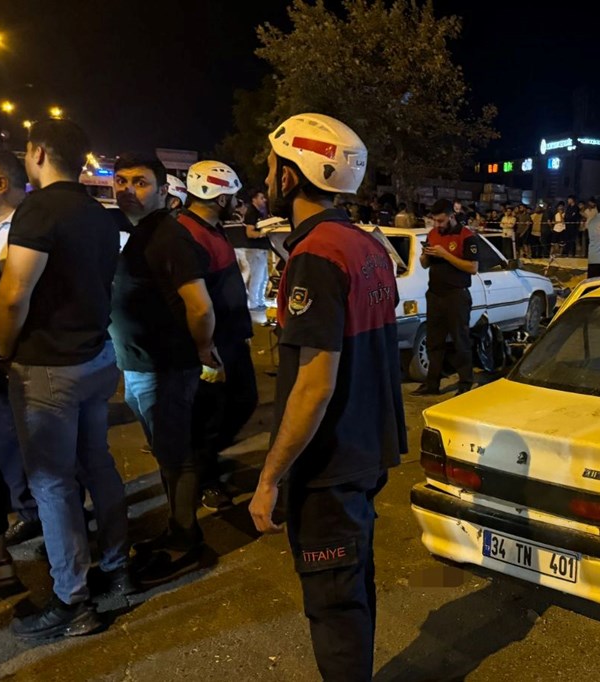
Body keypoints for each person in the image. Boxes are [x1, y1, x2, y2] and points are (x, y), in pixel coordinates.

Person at [251, 113, 407, 681]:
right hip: (367, 449)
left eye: (272, 166)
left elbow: (314, 385)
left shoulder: (317, 254)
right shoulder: (366, 244)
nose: (266, 176)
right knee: (353, 585)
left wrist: (269, 478)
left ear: (291, 178)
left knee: (334, 605)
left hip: (330, 462)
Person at [0, 119, 130, 639]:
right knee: (97, 463)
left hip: (49, 368)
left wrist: (5, 351)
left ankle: (72, 599)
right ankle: (116, 564)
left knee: (52, 484)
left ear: (40, 152)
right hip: (96, 359)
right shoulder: (99, 215)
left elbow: (12, 295)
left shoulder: (40, 210)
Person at [109, 154, 208, 585]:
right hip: (141, 365)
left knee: (177, 457)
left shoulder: (168, 235)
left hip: (165, 367)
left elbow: (200, 307)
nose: (128, 188)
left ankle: (186, 539)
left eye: (141, 182)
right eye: (121, 180)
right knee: (167, 454)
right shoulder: (141, 233)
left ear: (164, 191)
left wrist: (202, 349)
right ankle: (175, 527)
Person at [176, 161, 257, 511]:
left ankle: (202, 462)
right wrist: (205, 348)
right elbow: (198, 305)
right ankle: (202, 478)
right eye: (232, 196)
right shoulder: (187, 234)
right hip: (212, 345)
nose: (236, 203)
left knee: (242, 400)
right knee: (209, 414)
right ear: (219, 197)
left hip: (229, 339)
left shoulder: (211, 228)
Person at [0, 150, 40, 547]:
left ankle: (32, 511)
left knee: (13, 439)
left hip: (16, 356)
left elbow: (13, 301)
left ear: (0, 183)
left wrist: (5, 353)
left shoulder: (22, 231)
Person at [413, 199, 479, 397]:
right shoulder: (433, 234)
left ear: (451, 217)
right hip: (435, 294)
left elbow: (472, 268)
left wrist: (445, 254)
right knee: (434, 342)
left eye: (440, 221)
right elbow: (425, 265)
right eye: (434, 221)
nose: (437, 225)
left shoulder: (466, 236)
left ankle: (465, 383)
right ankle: (431, 384)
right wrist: (425, 255)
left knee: (460, 340)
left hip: (456, 296)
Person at [234, 191, 270, 322]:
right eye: (261, 197)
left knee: (263, 277)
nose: (264, 200)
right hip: (255, 250)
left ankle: (259, 301)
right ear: (254, 199)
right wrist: (264, 233)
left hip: (260, 250)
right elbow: (250, 233)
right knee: (257, 277)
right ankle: (254, 303)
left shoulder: (258, 212)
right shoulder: (252, 213)